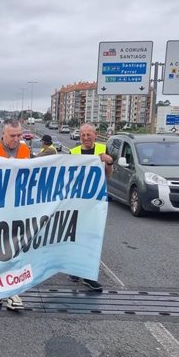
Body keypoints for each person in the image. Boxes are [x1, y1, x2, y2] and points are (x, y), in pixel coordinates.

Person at [0, 119, 29, 310]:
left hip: (18, 209)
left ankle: (12, 292)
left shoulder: (25, 151)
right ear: (3, 134)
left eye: (19, 136)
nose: (16, 140)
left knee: (15, 249)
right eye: (12, 136)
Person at [67, 123, 113, 292]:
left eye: (88, 134)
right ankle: (74, 269)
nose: (85, 138)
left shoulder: (102, 148)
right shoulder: (73, 152)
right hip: (78, 202)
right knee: (76, 236)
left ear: (95, 135)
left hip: (96, 202)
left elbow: (109, 175)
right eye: (82, 135)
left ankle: (88, 275)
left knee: (92, 238)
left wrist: (109, 162)